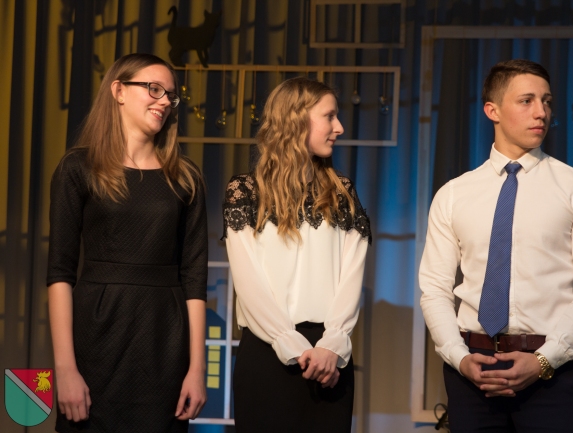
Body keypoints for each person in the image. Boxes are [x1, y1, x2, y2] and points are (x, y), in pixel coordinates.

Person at [419, 59, 573, 432]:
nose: (542, 112)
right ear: (492, 110)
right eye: (527, 101)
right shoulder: (454, 194)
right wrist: (459, 358)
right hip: (473, 372)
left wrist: (544, 361)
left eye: (547, 101)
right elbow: (434, 289)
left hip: (553, 372)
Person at [47, 53, 208, 432]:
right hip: (96, 338)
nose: (165, 101)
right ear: (118, 91)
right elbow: (59, 273)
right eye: (154, 89)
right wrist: (65, 369)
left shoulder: (185, 177)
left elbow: (195, 279)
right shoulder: (78, 168)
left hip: (164, 341)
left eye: (171, 94)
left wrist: (196, 369)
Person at [222, 77, 371, 432]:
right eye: (329, 116)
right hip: (267, 353)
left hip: (331, 359)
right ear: (295, 120)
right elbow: (249, 282)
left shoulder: (343, 192)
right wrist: (292, 346)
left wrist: (333, 343)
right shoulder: (245, 192)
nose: (339, 127)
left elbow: (352, 275)